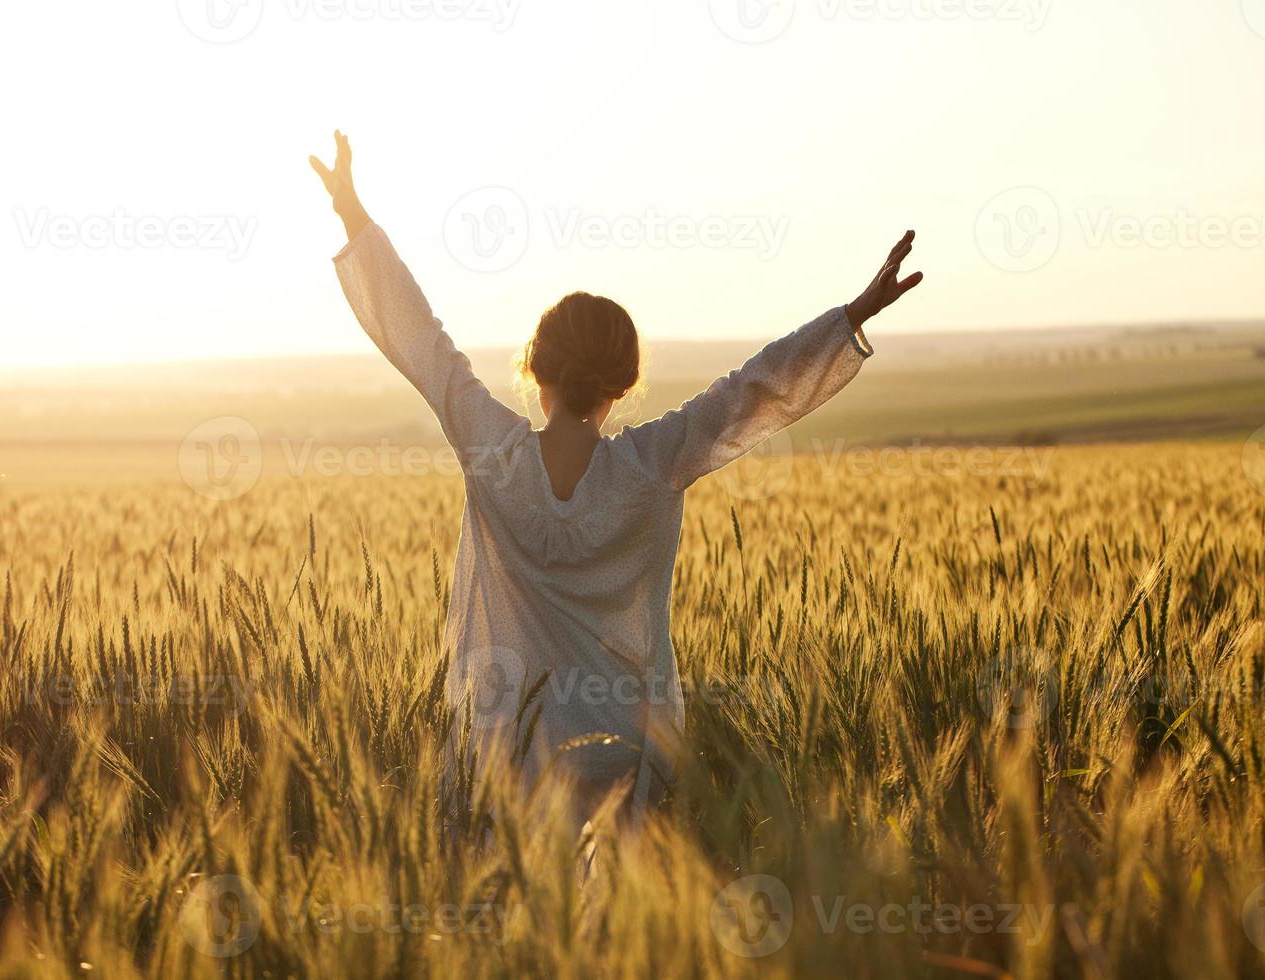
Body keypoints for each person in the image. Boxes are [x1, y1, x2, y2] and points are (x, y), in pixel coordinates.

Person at [309, 130, 923, 837]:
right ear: (623, 383)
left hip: (513, 757)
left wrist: (353, 213)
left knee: (525, 935)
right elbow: (753, 391)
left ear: (534, 372)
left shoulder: (491, 452)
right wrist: (851, 318)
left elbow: (423, 343)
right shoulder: (653, 464)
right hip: (628, 761)